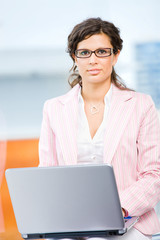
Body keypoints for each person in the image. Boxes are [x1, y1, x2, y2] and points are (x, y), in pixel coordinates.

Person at [39, 17, 160, 239]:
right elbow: (47, 173)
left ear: (115, 55)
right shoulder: (53, 108)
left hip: (128, 219)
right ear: (75, 57)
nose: (93, 60)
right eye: (84, 52)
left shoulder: (142, 105)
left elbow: (154, 173)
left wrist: (118, 209)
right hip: (70, 220)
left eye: (102, 51)